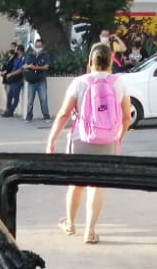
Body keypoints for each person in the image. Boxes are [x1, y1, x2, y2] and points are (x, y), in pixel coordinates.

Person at [44, 42, 132, 244]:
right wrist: (118, 136)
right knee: (97, 185)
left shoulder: (80, 82)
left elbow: (65, 113)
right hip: (107, 141)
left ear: (90, 61)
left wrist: (51, 140)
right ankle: (90, 231)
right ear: (111, 62)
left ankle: (70, 224)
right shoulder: (118, 83)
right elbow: (127, 117)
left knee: (76, 183)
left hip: (80, 140)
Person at [22, 39, 50, 121]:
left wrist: (37, 67)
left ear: (42, 47)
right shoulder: (30, 56)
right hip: (32, 81)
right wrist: (29, 66)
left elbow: (46, 67)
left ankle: (46, 116)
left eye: (39, 46)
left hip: (41, 80)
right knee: (30, 100)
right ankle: (29, 116)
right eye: (36, 46)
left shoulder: (46, 56)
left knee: (43, 99)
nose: (38, 48)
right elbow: (24, 66)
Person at [1, 43, 25, 117]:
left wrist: (11, 74)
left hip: (18, 79)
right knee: (9, 95)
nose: (14, 51)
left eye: (16, 49)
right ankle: (8, 110)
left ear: (20, 51)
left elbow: (20, 70)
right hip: (12, 80)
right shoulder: (16, 59)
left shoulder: (23, 59)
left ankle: (11, 111)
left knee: (15, 96)